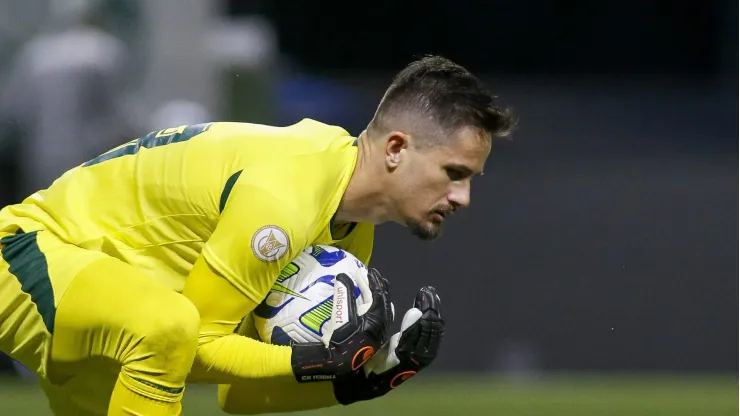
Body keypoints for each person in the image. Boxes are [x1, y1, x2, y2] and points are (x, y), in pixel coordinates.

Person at [0, 55, 514, 415]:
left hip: (109, 301)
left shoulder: (345, 229)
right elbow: (194, 346)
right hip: (28, 254)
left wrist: (366, 378)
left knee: (164, 329)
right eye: (454, 173)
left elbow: (237, 393)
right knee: (167, 328)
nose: (463, 198)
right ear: (396, 149)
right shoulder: (287, 196)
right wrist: (312, 360)